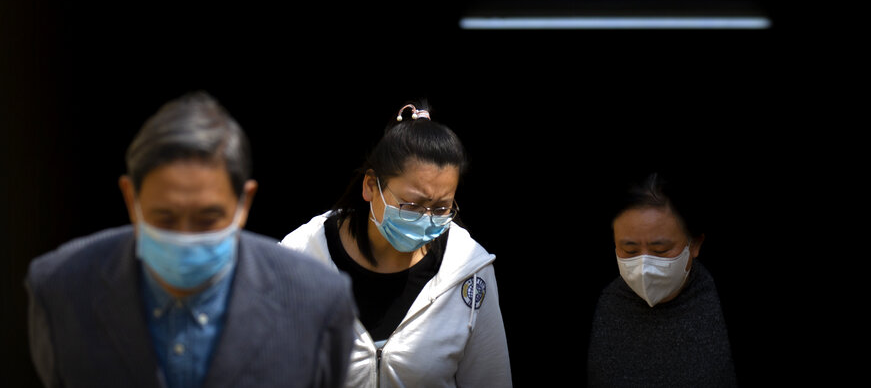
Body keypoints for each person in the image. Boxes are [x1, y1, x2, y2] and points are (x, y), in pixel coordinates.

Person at [25, 91, 357, 388]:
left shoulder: (317, 302)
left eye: (207, 219)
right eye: (164, 218)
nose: (185, 236)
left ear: (244, 204)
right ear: (130, 199)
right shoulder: (60, 288)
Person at [281, 102, 513, 387]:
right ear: (370, 186)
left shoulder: (470, 272)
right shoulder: (296, 259)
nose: (427, 219)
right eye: (412, 205)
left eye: (441, 208)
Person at [587, 172, 737, 388]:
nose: (644, 267)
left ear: (694, 244)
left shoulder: (718, 303)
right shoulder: (604, 305)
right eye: (630, 251)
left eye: (661, 250)